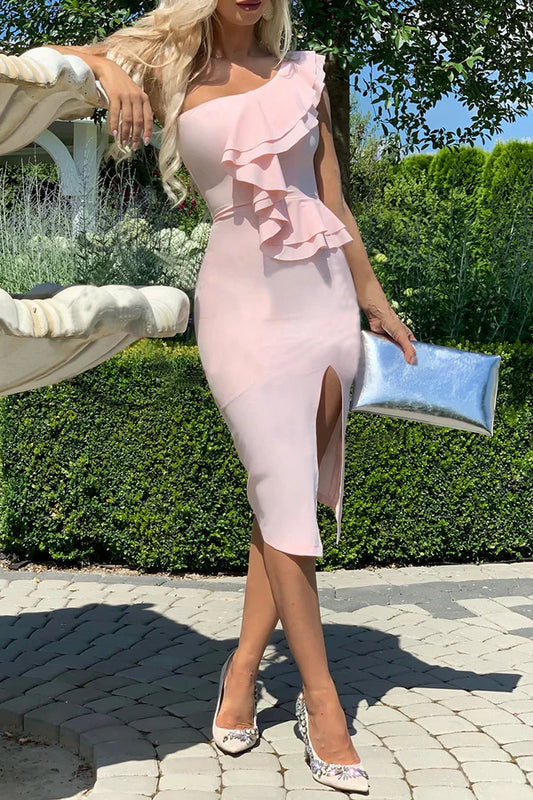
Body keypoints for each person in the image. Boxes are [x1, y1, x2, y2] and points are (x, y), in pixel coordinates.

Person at [46, 0, 417, 793]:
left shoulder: (303, 75)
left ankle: (243, 669)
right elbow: (53, 56)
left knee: (282, 497)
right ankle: (323, 704)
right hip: (241, 307)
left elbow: (335, 203)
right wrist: (113, 69)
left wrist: (374, 301)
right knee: (280, 485)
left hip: (321, 301)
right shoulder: (166, 64)